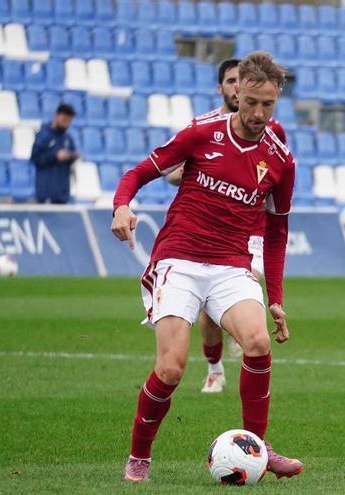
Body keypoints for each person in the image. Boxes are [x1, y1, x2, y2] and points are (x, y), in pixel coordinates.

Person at [111, 51, 304, 483]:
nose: (257, 113)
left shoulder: (280, 159)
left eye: (267, 105)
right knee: (171, 368)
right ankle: (139, 455)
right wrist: (122, 205)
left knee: (257, 342)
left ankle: (257, 447)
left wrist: (275, 300)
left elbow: (277, 232)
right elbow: (139, 172)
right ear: (236, 92)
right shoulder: (202, 134)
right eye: (250, 101)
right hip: (177, 259)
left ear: (277, 100)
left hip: (231, 265)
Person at [166, 58, 288, 394]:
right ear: (227, 87)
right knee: (207, 316)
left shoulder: (274, 133)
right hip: (207, 234)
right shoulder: (203, 126)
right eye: (233, 81)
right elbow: (172, 171)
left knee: (252, 284)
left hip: (252, 231)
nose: (240, 88)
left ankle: (244, 329)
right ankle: (215, 367)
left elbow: (273, 177)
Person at [30, 103, 79, 204]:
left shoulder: (68, 138)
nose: (67, 124)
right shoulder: (43, 134)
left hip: (62, 195)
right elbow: (35, 159)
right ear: (56, 115)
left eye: (69, 121)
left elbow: (71, 154)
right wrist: (54, 155)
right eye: (65, 120)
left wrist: (72, 156)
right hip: (46, 194)